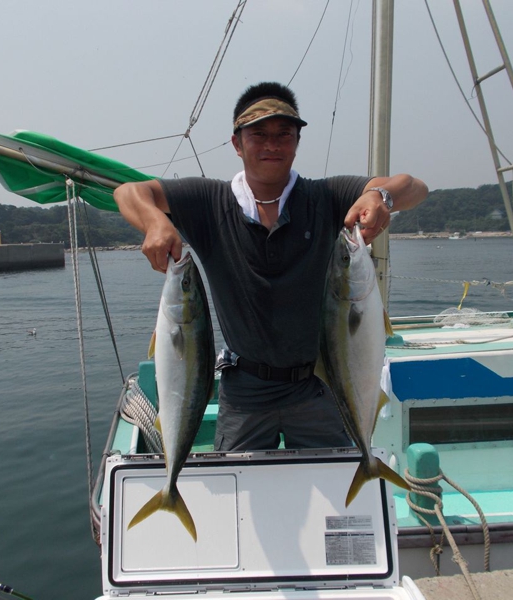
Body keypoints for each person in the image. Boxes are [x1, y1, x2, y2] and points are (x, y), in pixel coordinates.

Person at [115, 81, 428, 452]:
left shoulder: (326, 197)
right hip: (244, 391)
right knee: (239, 486)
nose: (272, 145)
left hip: (318, 384)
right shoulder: (209, 202)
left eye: (284, 134)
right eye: (258, 135)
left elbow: (414, 187)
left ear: (297, 142)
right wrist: (154, 221)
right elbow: (128, 191)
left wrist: (381, 196)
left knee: (331, 481)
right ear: (237, 144)